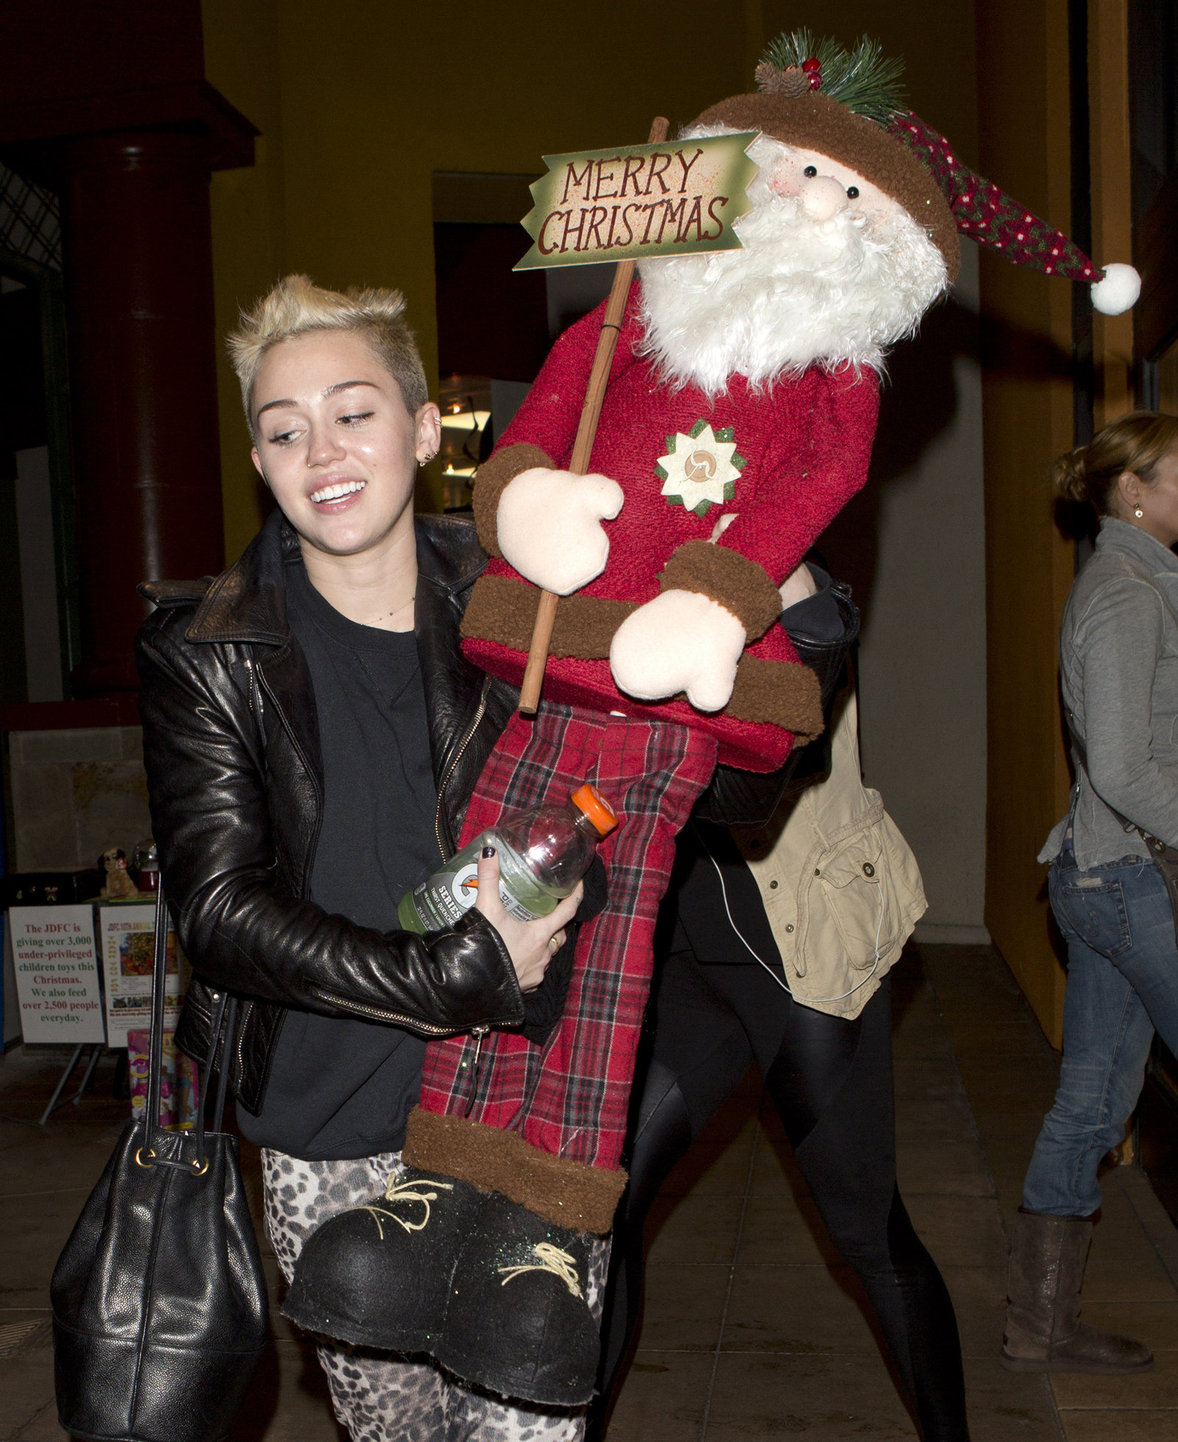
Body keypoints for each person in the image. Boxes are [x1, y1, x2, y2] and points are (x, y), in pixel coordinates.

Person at [135, 273, 588, 1442]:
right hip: (327, 1124)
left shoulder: (517, 598)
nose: (321, 449)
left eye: (354, 411)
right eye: (284, 429)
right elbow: (223, 911)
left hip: (511, 1100)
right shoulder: (209, 646)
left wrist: (800, 598)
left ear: (424, 427)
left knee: (528, 1425)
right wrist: (451, 972)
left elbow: (707, 773)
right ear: (258, 458)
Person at [588, 562, 972, 1442]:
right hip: (677, 946)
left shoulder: (795, 578)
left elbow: (790, 755)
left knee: (868, 1232)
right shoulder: (614, 557)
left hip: (789, 940)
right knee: (607, 1208)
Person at [1002, 410, 1178, 1375]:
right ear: (1133, 492)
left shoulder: (1137, 582)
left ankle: (1040, 1326)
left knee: (1093, 1102)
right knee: (1092, 1101)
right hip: (1129, 881)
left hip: (1104, 876)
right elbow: (1120, 765)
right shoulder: (1127, 594)